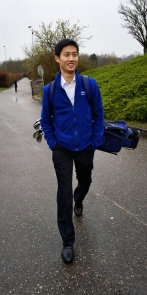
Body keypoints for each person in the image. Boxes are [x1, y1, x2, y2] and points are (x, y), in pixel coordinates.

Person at [40, 39, 104, 263]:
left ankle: (80, 198)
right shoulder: (49, 91)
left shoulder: (89, 85)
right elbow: (45, 121)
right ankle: (67, 241)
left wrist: (95, 140)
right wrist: (52, 143)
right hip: (62, 149)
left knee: (85, 181)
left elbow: (99, 115)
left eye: (74, 54)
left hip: (86, 145)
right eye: (66, 54)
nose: (71, 58)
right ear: (58, 58)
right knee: (63, 193)